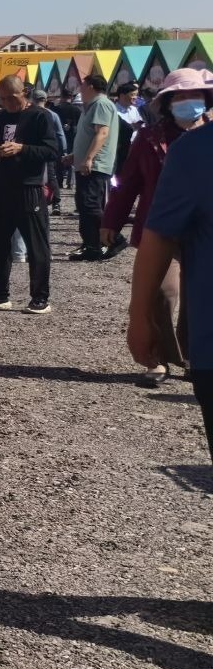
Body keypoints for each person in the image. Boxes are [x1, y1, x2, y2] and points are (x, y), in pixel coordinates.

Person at [108, 68, 212, 388]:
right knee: (163, 293)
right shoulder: (150, 138)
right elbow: (128, 182)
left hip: (201, 234)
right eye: (179, 97)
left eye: (193, 95)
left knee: (199, 298)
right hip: (162, 228)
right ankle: (160, 359)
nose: (187, 102)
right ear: (167, 103)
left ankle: (196, 356)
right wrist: (111, 220)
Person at [132, 111, 213, 450]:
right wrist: (140, 318)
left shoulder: (195, 149)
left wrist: (138, 319)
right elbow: (158, 238)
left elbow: (158, 237)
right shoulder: (195, 150)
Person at [0, 75, 62, 315]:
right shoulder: (0, 117)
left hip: (29, 187)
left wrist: (22, 148)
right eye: (2, 99)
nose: (7, 103)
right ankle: (0, 294)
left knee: (37, 246)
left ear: (24, 92)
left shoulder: (39, 116)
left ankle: (39, 296)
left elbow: (51, 150)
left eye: (11, 98)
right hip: (1, 186)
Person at [68, 73, 121, 262]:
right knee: (84, 204)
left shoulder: (101, 104)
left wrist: (89, 158)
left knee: (90, 204)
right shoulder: (91, 106)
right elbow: (90, 135)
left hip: (95, 165)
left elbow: (102, 133)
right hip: (87, 164)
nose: (80, 89)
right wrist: (76, 156)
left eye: (83, 85)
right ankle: (92, 246)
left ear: (90, 86)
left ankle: (115, 238)